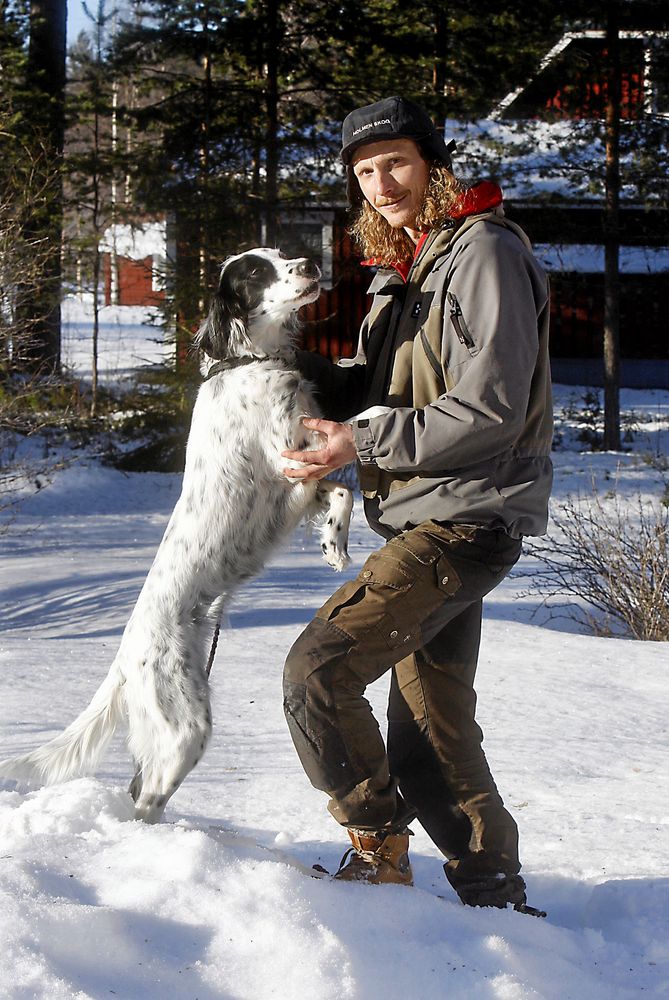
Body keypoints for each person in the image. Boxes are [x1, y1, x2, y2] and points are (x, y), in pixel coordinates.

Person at [280, 95, 553, 912]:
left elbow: (493, 405)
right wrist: (272, 362)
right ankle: (492, 892)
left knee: (317, 672)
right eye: (363, 171)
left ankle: (379, 848)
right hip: (429, 516)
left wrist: (356, 445)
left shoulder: (483, 255)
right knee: (430, 729)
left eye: (395, 160)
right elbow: (369, 389)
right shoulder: (406, 268)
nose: (381, 182)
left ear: (433, 162)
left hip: (465, 519)